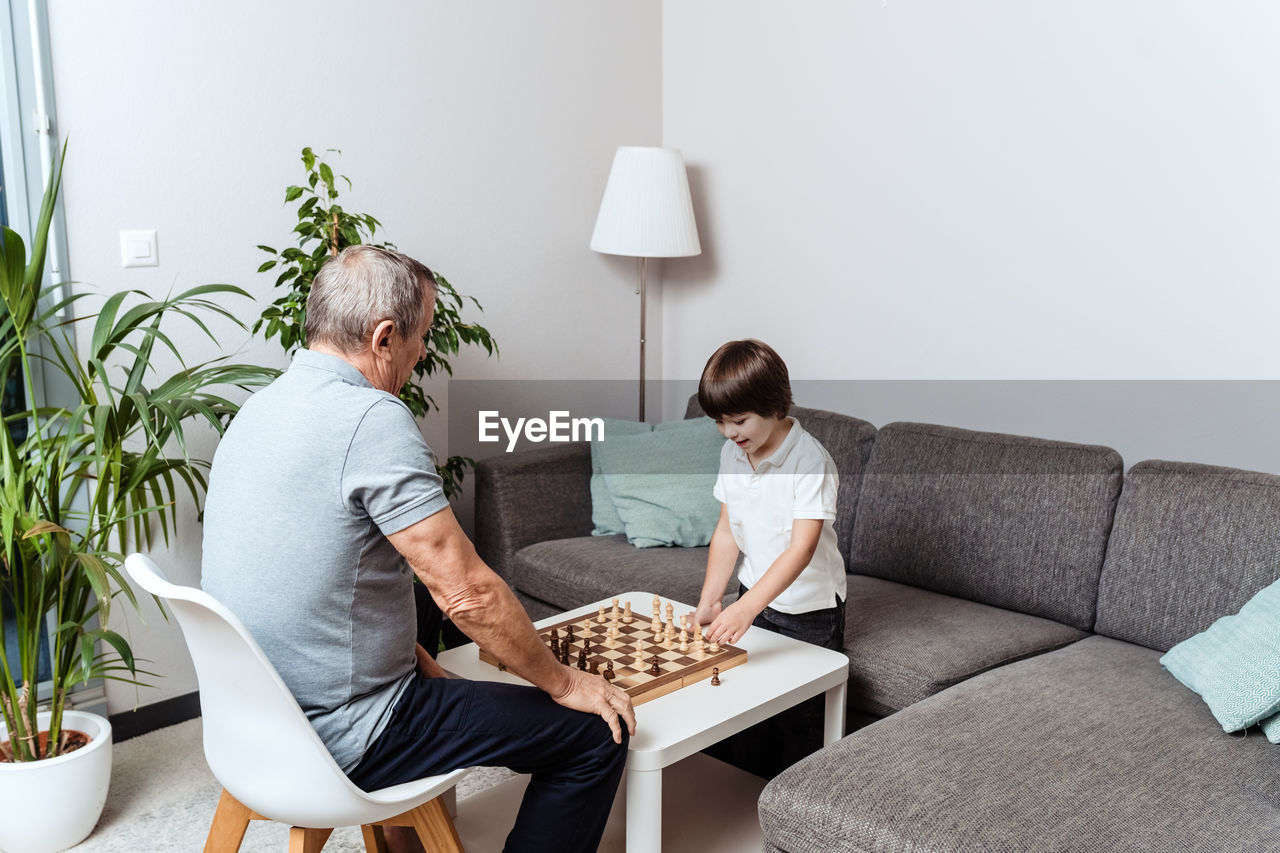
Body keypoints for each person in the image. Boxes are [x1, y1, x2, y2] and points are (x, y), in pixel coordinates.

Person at [202, 245, 635, 853]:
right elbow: (467, 591)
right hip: (344, 736)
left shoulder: (258, 408)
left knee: (419, 606)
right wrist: (565, 685)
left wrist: (405, 653)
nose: (423, 352)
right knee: (593, 738)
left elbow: (303, 572)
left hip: (249, 725)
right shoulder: (371, 417)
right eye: (422, 337)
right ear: (383, 337)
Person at [692, 338, 846, 775]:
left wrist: (746, 608)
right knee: (746, 705)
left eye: (739, 420)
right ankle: (740, 796)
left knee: (798, 721)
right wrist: (712, 599)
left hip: (808, 608)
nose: (729, 432)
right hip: (753, 592)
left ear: (776, 405)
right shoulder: (732, 453)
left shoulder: (810, 462)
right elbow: (727, 532)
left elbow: (801, 549)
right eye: (720, 422)